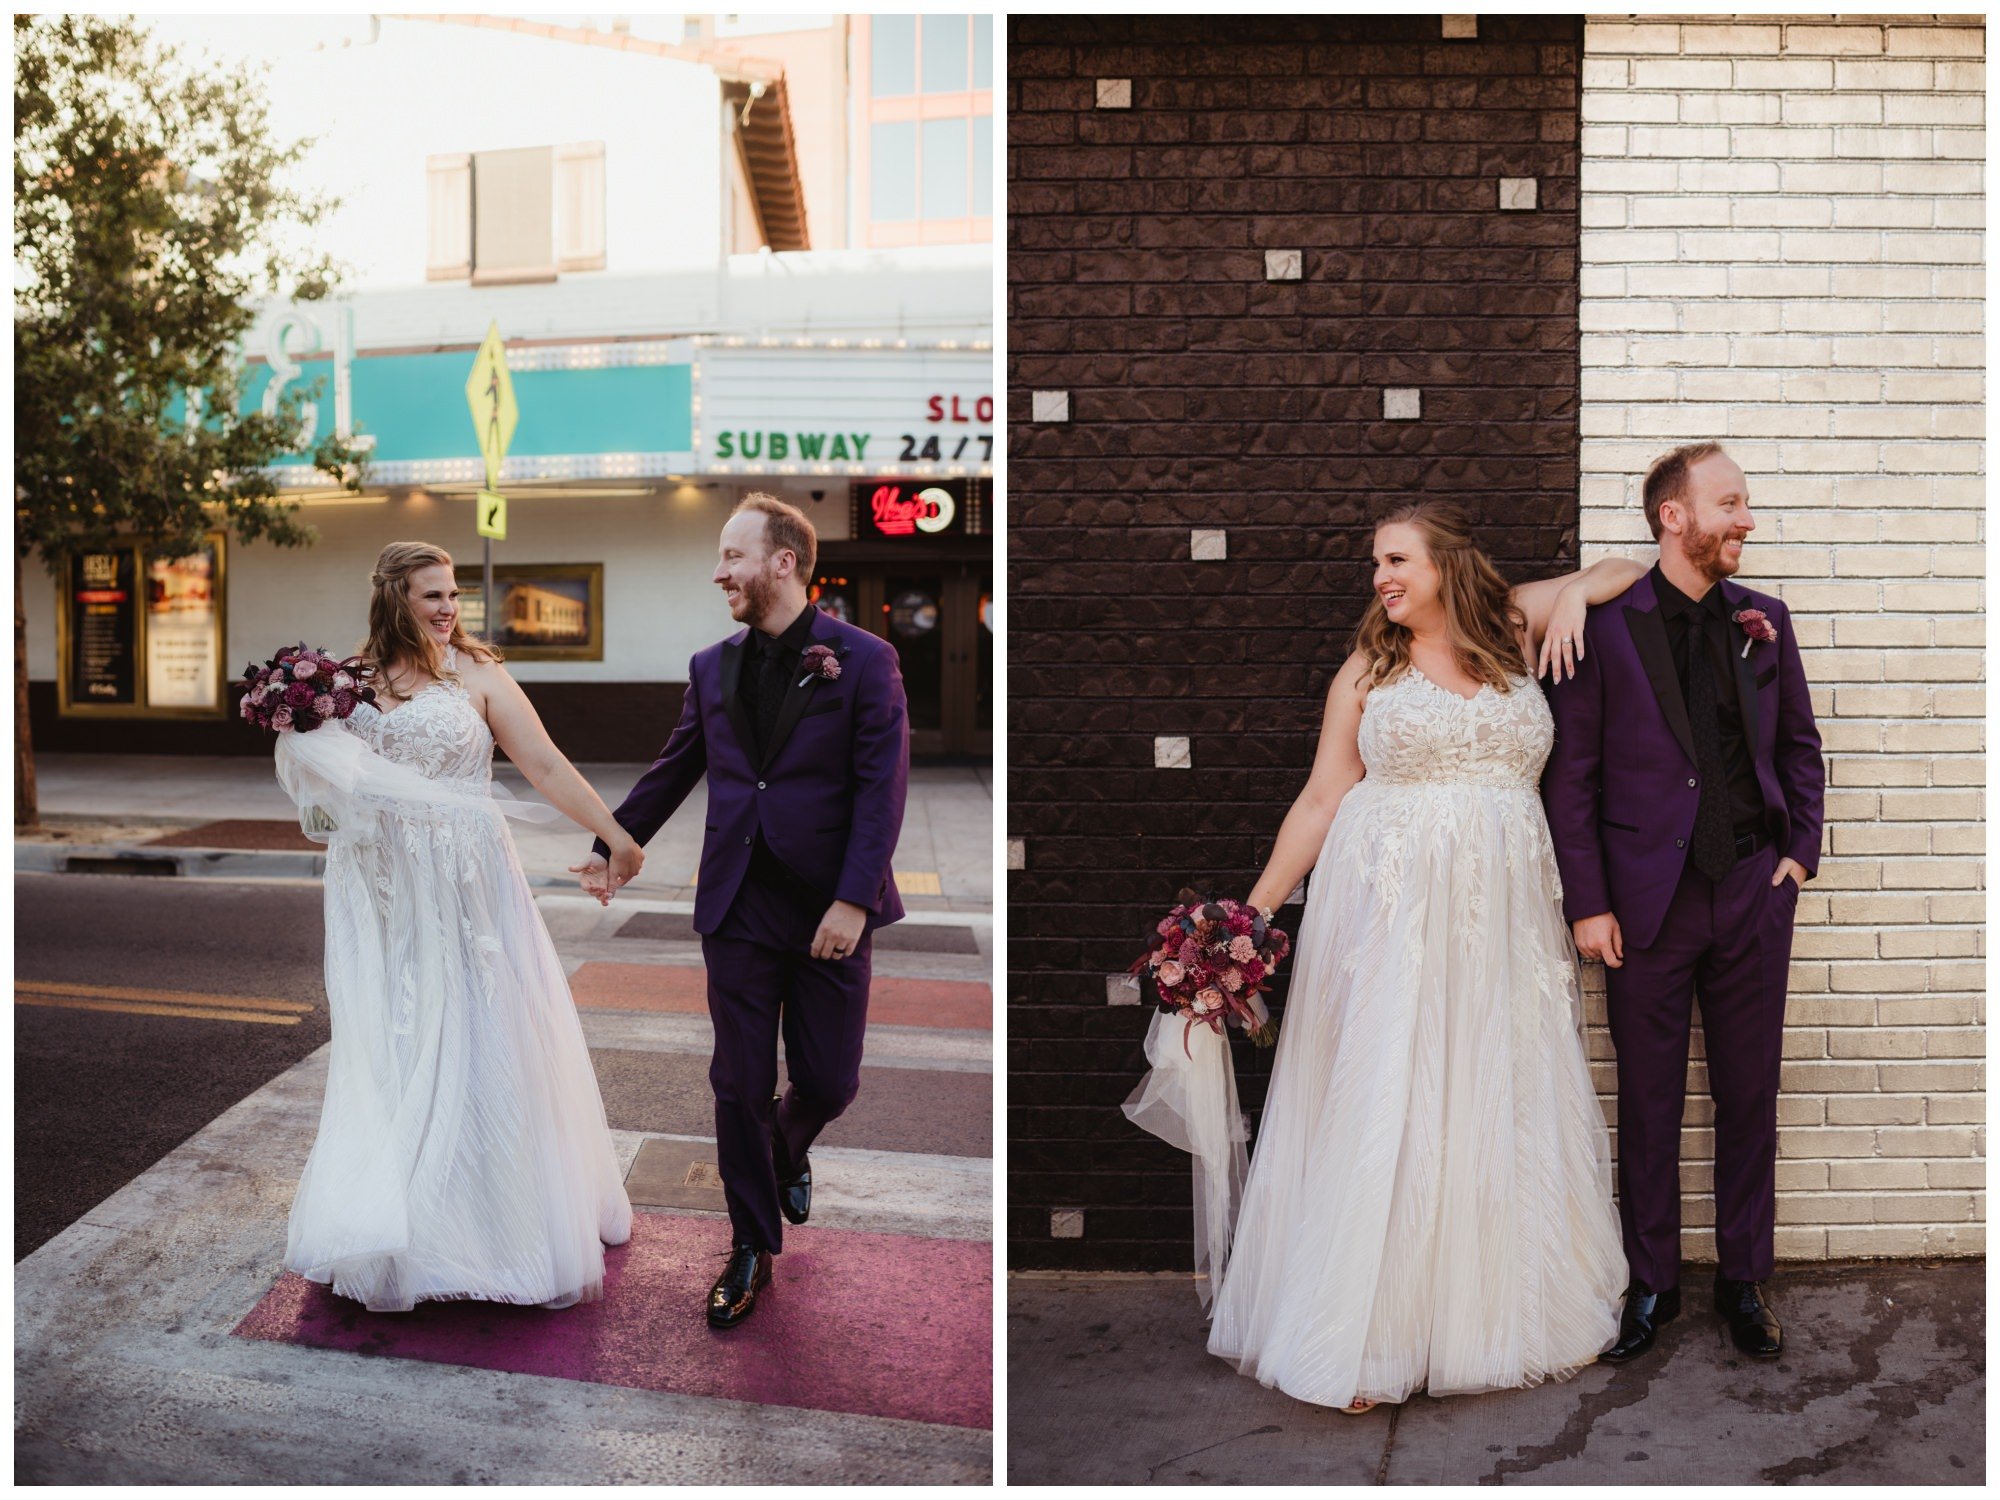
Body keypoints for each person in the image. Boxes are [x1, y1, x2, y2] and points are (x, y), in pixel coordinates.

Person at [1192, 501, 1648, 1413]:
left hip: (1500, 918)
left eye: (1396, 559)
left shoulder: (1512, 630)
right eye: (1374, 564)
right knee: (1386, 1093)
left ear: (1446, 563)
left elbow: (1624, 572)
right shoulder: (1369, 668)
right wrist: (1253, 917)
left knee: (1490, 1090)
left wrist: (1574, 605)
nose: (1380, 578)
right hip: (1389, 908)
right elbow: (1323, 798)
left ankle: (1488, 1316)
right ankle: (1360, 1335)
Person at [572, 494, 910, 1329]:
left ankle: (785, 1146)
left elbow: (882, 791)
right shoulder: (709, 665)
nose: (718, 571)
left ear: (783, 562)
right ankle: (751, 1246)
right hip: (737, 902)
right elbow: (674, 767)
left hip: (829, 909)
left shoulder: (864, 660)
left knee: (829, 1080)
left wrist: (852, 901)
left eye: (732, 555)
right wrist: (611, 843)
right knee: (738, 1082)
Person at [278, 541, 640, 1312]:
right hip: (383, 892)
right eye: (431, 596)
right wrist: (301, 743)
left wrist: (615, 833)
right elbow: (325, 800)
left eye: (452, 596)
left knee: (484, 1033)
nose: (448, 609)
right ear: (393, 600)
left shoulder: (477, 671)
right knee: (398, 1042)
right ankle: (399, 1218)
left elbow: (542, 764)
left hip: (471, 889)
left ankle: (497, 1227)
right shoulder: (347, 683)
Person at [1543, 443, 1823, 1363]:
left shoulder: (1764, 620)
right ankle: (1653, 1284)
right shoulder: (1604, 626)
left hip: (1750, 892)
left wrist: (1797, 860)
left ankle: (1744, 1281)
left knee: (1750, 1099)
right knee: (1651, 1101)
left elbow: (1798, 751)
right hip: (1644, 909)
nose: (1746, 519)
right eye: (1731, 503)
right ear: (1676, 515)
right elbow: (1571, 779)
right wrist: (1588, 902)